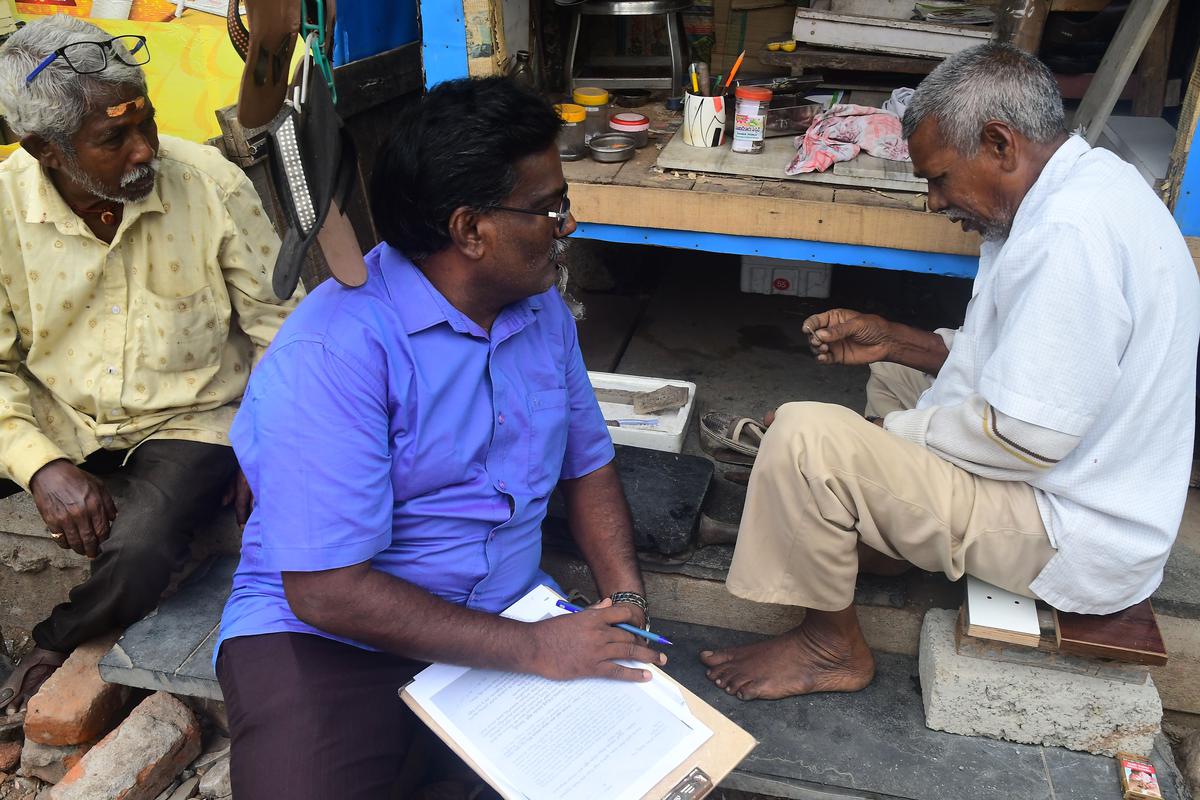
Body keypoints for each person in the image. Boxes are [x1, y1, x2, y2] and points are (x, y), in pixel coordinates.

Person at [701, 42, 1200, 701]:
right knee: (892, 380)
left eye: (937, 179)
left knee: (805, 439)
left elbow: (1024, 434)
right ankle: (864, 524)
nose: (935, 203)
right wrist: (897, 341)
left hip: (1071, 531)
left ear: (999, 144)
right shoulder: (1086, 185)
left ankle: (829, 645)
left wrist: (891, 440)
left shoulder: (1068, 234)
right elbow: (1029, 361)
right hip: (1079, 476)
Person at [214, 76, 660, 800]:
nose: (566, 225)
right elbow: (327, 592)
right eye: (549, 208)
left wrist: (625, 600)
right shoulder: (336, 352)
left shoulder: (537, 309)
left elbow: (589, 466)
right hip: (329, 640)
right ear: (469, 230)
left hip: (505, 617)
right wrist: (537, 649)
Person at [0, 15, 300, 712]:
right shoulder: (4, 212)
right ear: (46, 149)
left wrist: (268, 447)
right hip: (55, 408)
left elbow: (284, 335)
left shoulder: (208, 183)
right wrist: (40, 465)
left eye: (148, 124)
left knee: (141, 545)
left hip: (189, 420)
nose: (145, 151)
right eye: (114, 139)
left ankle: (57, 638)